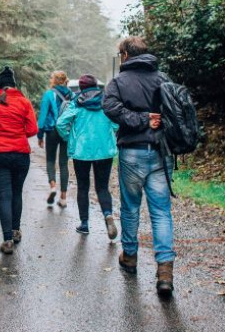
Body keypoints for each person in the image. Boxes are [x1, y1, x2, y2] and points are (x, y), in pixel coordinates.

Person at [102, 36, 176, 297]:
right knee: (161, 211)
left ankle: (130, 257)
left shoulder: (118, 82)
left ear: (125, 55)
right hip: (160, 152)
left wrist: (138, 119)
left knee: (131, 208)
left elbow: (109, 106)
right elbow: (176, 112)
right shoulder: (164, 79)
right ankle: (165, 271)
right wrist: (150, 119)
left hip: (131, 152)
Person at [0, 66, 38, 255]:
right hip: (21, 154)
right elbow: (32, 130)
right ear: (14, 85)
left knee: (5, 196)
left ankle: (7, 240)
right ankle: (16, 231)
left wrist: (1, 131)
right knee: (17, 193)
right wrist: (17, 131)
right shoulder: (24, 102)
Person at [56, 74, 119, 239]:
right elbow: (116, 123)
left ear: (82, 88)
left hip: (81, 152)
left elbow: (60, 123)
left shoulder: (76, 103)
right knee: (102, 187)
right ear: (96, 86)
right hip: (104, 151)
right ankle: (108, 215)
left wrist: (68, 136)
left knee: (83, 187)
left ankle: (84, 224)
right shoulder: (106, 102)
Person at [37, 70, 73, 207]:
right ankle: (63, 197)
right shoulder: (71, 94)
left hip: (51, 131)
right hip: (65, 132)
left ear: (54, 80)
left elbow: (43, 116)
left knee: (51, 160)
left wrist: (40, 135)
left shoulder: (48, 94)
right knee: (64, 163)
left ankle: (53, 186)